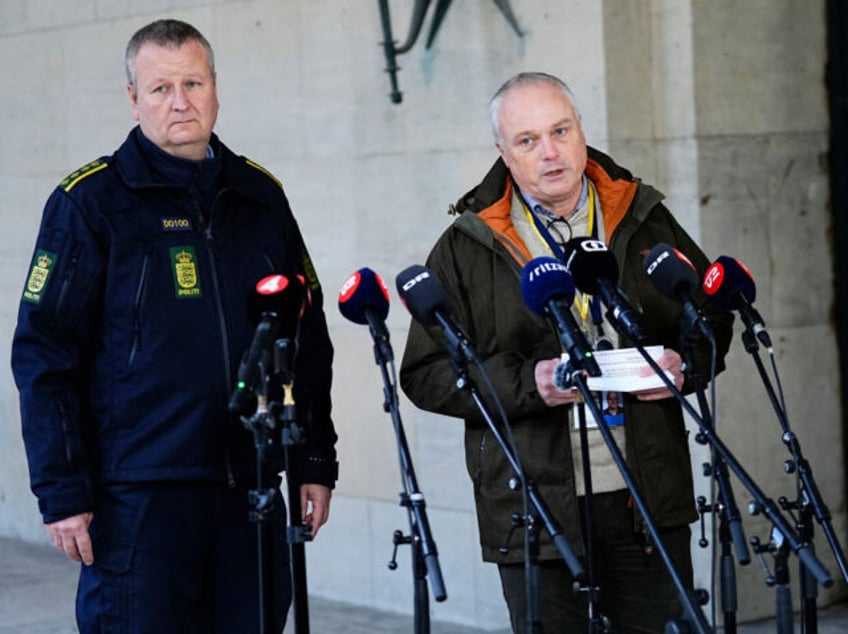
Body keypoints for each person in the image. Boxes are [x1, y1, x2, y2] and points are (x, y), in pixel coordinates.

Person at [10, 19, 337, 634]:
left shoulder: (262, 197)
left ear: (216, 88)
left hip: (254, 493)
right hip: (138, 501)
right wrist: (63, 490)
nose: (180, 101)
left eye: (193, 82)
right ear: (133, 99)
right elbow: (44, 354)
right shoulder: (89, 203)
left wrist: (314, 458)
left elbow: (306, 339)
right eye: (160, 88)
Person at [399, 72, 733, 632]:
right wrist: (533, 384)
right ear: (503, 152)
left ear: (581, 131)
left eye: (561, 130)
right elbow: (427, 372)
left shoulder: (642, 216)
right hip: (535, 511)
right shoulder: (468, 244)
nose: (550, 152)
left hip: (645, 498)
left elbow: (710, 314)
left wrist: (684, 364)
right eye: (528, 140)